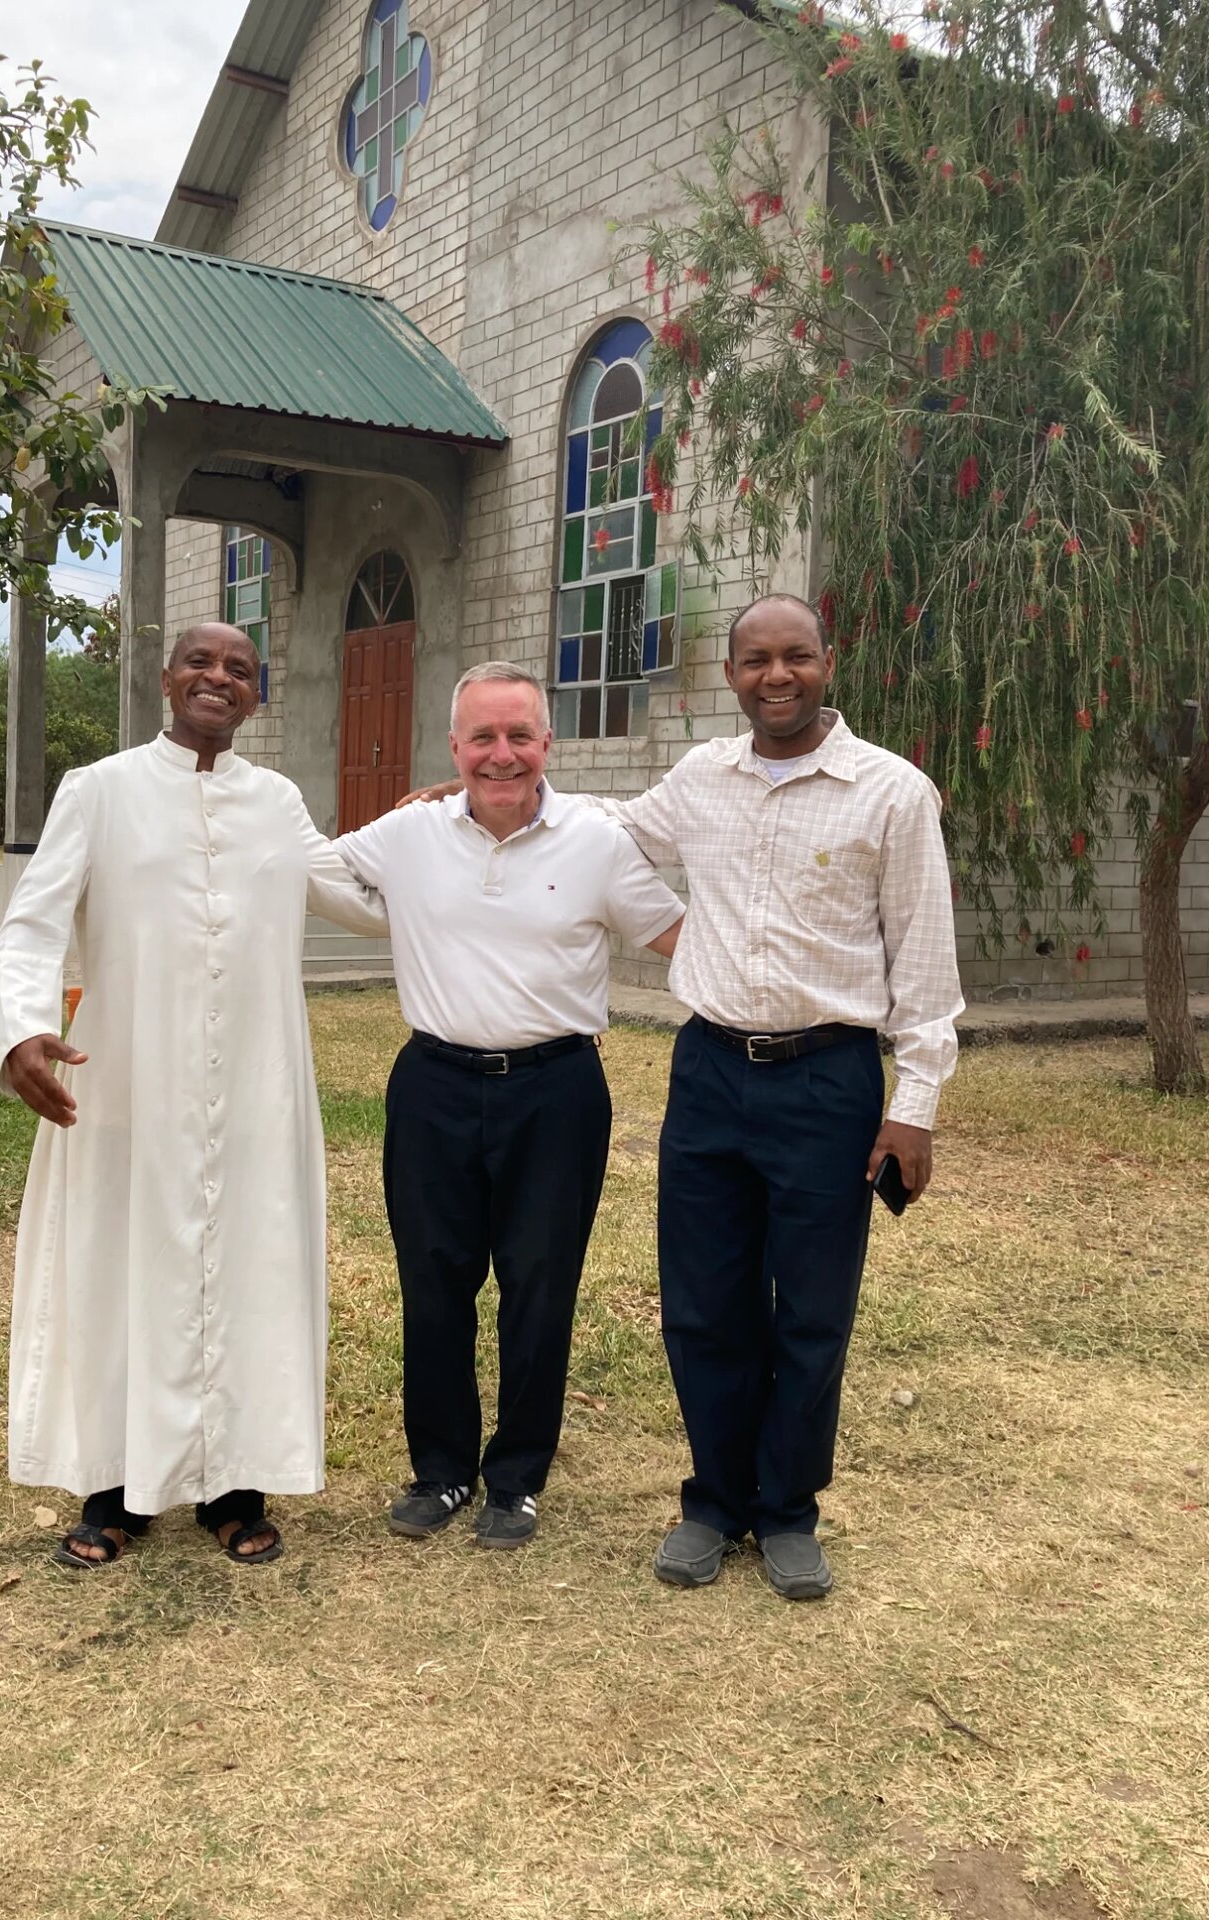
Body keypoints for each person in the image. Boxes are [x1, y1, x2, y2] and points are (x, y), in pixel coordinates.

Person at [0, 622, 388, 1571]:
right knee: (125, 1262)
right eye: (202, 664)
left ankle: (232, 1484)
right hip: (128, 1079)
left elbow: (359, 896)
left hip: (253, 1085)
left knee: (249, 1265)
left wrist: (441, 837)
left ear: (258, 696)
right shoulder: (102, 790)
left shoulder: (277, 801)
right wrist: (21, 1031)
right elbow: (33, 925)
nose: (220, 679)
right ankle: (115, 1488)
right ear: (167, 679)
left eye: (240, 670)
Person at [601, 593, 962, 1598]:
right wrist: (472, 797)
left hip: (829, 1079)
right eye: (756, 659)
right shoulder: (700, 779)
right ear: (731, 674)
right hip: (710, 1072)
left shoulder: (890, 793)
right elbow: (609, 837)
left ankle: (790, 1508)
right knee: (703, 1305)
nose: (777, 675)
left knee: (811, 1309)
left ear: (826, 663)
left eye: (795, 656)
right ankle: (715, 1501)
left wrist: (915, 1101)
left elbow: (924, 960)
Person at [335, 662, 684, 1550]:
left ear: (547, 744)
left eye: (518, 736)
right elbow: (307, 871)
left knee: (539, 1284)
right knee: (434, 1279)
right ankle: (442, 1469)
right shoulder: (408, 833)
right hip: (434, 1087)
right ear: (454, 748)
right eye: (481, 738)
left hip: (556, 1092)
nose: (501, 755)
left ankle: (516, 1477)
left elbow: (681, 936)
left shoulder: (598, 841)